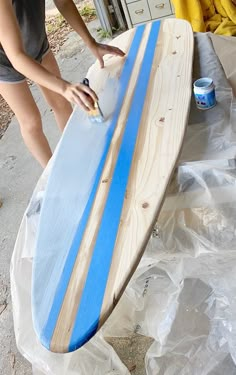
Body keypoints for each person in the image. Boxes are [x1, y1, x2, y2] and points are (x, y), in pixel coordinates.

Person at [0, 0, 125, 168]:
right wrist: (65, 87)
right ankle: (52, 173)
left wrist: (91, 43)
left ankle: (78, 152)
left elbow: (64, 2)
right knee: (31, 121)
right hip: (5, 61)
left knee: (60, 101)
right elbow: (16, 56)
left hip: (34, 38)